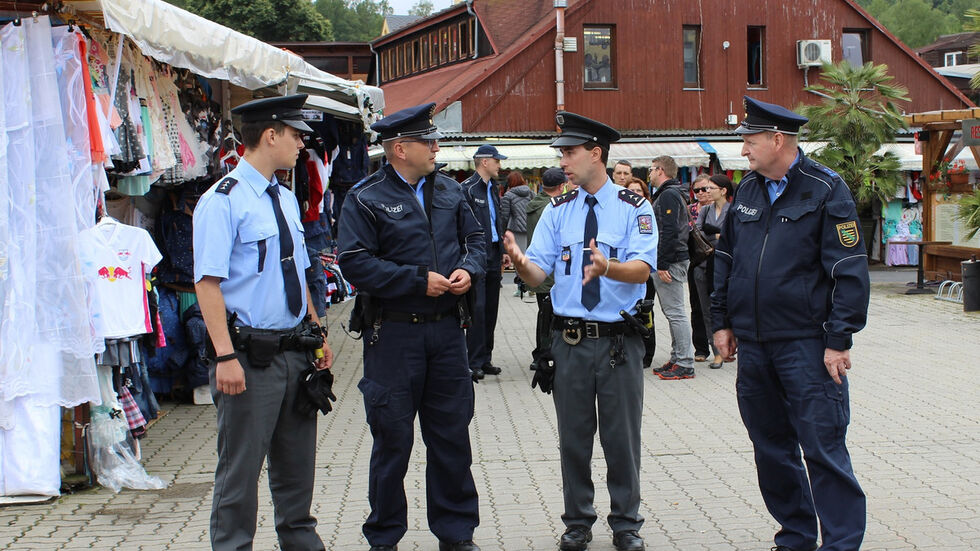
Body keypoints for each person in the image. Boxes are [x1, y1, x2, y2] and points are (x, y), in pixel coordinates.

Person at [712, 96, 870, 551]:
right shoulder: (747, 189)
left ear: (777, 139)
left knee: (823, 450)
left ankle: (840, 544)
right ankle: (796, 537)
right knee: (771, 450)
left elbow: (850, 269)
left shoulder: (825, 188)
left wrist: (839, 340)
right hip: (755, 347)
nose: (743, 150)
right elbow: (726, 259)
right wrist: (721, 322)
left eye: (749, 140)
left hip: (807, 345)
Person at [503, 111, 657, 551]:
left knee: (621, 441)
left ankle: (626, 524)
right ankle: (578, 522)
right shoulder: (558, 210)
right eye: (561, 153)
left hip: (617, 345)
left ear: (596, 154)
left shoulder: (635, 207)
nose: (563, 161)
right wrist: (518, 260)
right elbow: (538, 275)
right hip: (568, 342)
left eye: (570, 152)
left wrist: (608, 266)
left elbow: (643, 269)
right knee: (573, 439)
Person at [337, 103, 486, 551]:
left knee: (451, 438)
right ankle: (384, 537)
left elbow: (477, 240)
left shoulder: (452, 191)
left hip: (446, 335)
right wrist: (418, 280)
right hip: (393, 336)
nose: (436, 147)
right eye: (428, 141)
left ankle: (457, 535)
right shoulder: (365, 197)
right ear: (400, 149)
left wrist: (469, 269)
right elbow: (355, 264)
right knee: (392, 441)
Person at [192, 94, 334, 551]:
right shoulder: (223, 201)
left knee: (297, 472)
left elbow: (295, 269)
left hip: (295, 352)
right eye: (295, 136)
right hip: (249, 359)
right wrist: (224, 356)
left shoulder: (286, 198)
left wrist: (316, 333)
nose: (302, 144)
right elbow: (207, 284)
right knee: (240, 475)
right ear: (270, 135)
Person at [461, 145, 508, 380]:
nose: (500, 165)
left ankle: (486, 357)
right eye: (497, 160)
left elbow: (496, 220)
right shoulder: (468, 189)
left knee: (491, 309)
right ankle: (473, 360)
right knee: (477, 309)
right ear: (484, 162)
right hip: (478, 255)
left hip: (494, 252)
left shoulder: (493, 188)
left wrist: (503, 249)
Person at [648, 155, 695, 380]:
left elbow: (669, 230)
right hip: (673, 257)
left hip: (672, 259)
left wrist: (662, 263)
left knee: (675, 312)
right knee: (672, 311)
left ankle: (685, 361)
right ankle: (678, 357)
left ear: (660, 170)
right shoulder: (672, 193)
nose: (649, 174)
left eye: (650, 169)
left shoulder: (668, 194)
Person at [524, 167, 566, 378]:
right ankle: (543, 353)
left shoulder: (535, 204)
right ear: (560, 186)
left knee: (544, 314)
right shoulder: (549, 208)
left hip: (540, 271)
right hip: (547, 273)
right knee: (547, 317)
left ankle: (540, 352)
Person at [694, 174, 732, 369]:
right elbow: (698, 231)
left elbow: (731, 235)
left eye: (710, 188)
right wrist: (717, 233)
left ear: (723, 191)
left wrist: (715, 232)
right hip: (705, 264)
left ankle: (732, 344)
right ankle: (716, 350)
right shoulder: (705, 210)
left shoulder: (732, 210)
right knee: (707, 308)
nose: (706, 192)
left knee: (729, 306)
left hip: (726, 266)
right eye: (704, 188)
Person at [688, 174, 714, 363]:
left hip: (718, 262)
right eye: (697, 190)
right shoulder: (689, 211)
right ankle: (701, 348)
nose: (702, 193)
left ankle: (722, 345)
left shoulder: (720, 209)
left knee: (718, 304)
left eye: (705, 189)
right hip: (695, 261)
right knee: (697, 305)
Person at [500, 171, 533, 250]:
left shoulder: (508, 195)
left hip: (514, 230)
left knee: (516, 256)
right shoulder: (531, 193)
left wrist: (502, 231)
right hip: (530, 228)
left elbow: (505, 216)